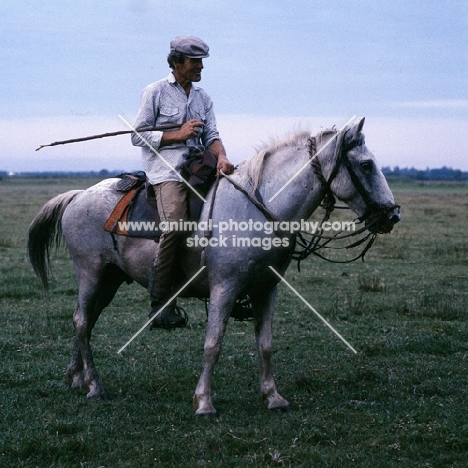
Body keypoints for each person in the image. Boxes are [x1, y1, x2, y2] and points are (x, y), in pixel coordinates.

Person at [131, 36, 234, 329]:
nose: (201, 67)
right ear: (177, 63)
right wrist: (178, 134)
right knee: (175, 227)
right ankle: (161, 306)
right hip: (167, 172)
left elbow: (211, 135)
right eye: (195, 61)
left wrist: (223, 157)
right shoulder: (155, 92)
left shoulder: (204, 98)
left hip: (200, 167)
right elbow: (137, 135)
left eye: (202, 61)